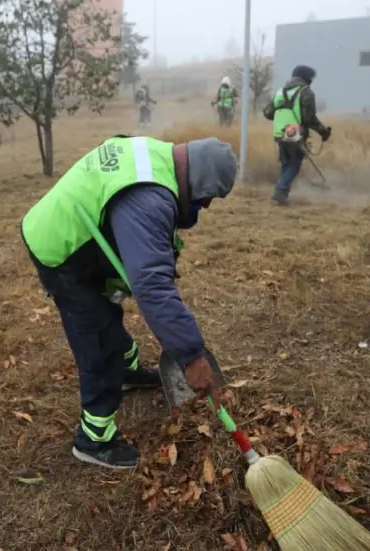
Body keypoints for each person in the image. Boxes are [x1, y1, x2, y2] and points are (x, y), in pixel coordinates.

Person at [21, 135, 237, 470]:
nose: (205, 206)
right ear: (197, 181)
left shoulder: (156, 155)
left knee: (107, 312)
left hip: (80, 228)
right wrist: (192, 356)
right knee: (99, 339)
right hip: (61, 249)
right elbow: (151, 285)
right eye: (207, 197)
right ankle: (94, 440)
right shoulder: (149, 199)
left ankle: (128, 372)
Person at [262, 65, 331, 206]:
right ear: (306, 77)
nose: (311, 80)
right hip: (295, 133)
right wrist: (323, 132)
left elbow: (268, 113)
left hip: (280, 133)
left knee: (287, 164)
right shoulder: (306, 92)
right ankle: (280, 192)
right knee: (294, 165)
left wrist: (283, 115)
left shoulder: (280, 92)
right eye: (311, 77)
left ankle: (282, 194)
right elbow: (309, 118)